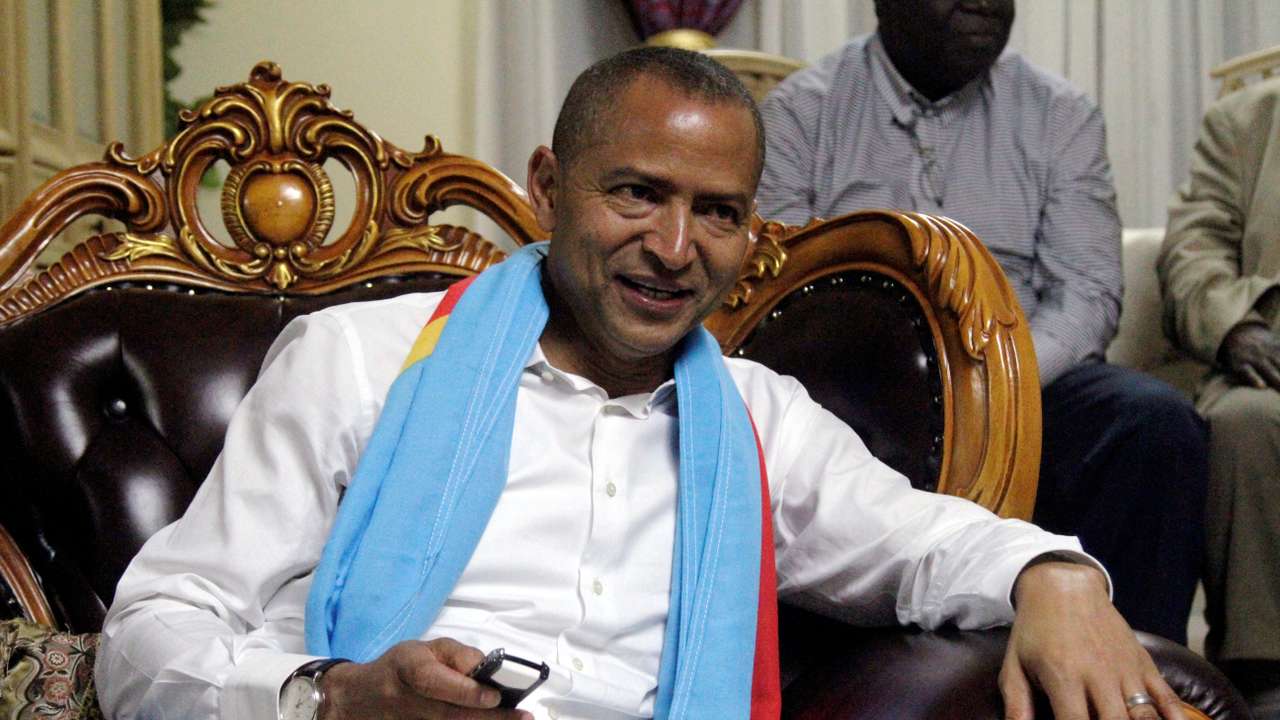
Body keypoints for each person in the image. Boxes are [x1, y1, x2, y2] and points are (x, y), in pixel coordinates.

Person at [96, 47, 1186, 720]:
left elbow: (924, 542)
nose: (674, 248)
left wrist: (1056, 577)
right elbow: (152, 632)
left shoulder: (757, 419)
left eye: (717, 213)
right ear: (547, 186)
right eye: (635, 193)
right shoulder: (356, 361)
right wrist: (332, 700)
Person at [756, 0, 1208, 645]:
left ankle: (1138, 671)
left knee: (1151, 424)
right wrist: (912, 399)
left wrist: (993, 390)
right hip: (857, 398)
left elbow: (1087, 294)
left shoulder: (1060, 114)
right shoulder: (802, 112)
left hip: (1025, 382)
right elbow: (778, 293)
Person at [1159, 75, 1280, 716]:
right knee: (1245, 419)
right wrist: (1237, 326)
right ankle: (1264, 673)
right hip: (1274, 363)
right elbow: (1193, 249)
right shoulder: (1246, 120)